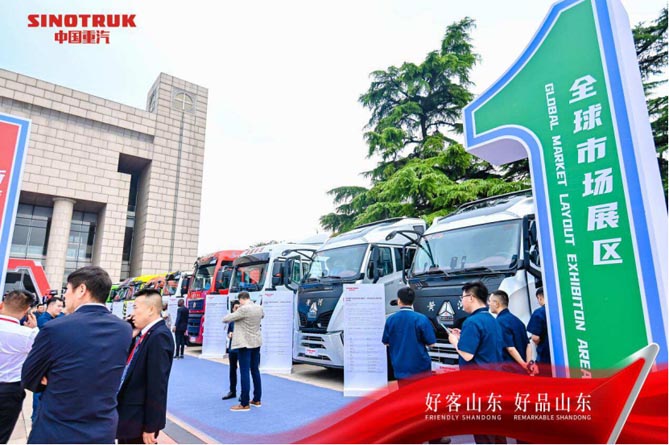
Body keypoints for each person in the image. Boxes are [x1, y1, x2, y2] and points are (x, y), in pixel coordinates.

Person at [21, 266, 132, 444]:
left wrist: (54, 377)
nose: (65, 296)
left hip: (58, 429)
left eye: (67, 289)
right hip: (103, 431)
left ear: (81, 290)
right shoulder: (124, 330)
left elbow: (28, 377)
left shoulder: (55, 328)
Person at [116, 289, 175, 444]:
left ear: (150, 309)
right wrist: (131, 336)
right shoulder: (145, 334)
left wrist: (151, 425)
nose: (132, 314)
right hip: (130, 417)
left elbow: (157, 385)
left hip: (139, 421)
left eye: (135, 308)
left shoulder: (159, 336)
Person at [0, 291, 38, 444]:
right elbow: (40, 354)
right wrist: (34, 329)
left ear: (2, 305)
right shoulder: (27, 334)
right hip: (9, 391)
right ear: (26, 311)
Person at [382, 287, 435, 386]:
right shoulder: (422, 319)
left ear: (399, 300)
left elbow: (386, 342)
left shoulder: (391, 319)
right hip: (420, 367)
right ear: (413, 300)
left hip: (400, 366)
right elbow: (431, 343)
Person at [223, 292, 263, 412]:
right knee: (255, 370)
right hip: (256, 342)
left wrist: (238, 310)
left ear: (241, 299)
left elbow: (225, 319)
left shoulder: (243, 309)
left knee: (244, 372)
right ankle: (257, 399)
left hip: (244, 344)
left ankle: (244, 403)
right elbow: (262, 316)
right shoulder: (259, 307)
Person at [488, 290, 530, 374]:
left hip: (510, 370)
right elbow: (528, 345)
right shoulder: (517, 321)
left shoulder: (499, 322)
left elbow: (510, 348)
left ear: (496, 304)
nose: (488, 304)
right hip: (523, 371)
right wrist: (528, 364)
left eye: (490, 301)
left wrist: (523, 364)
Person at [527, 287, 551, 375]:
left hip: (545, 356)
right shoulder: (559, 310)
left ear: (540, 297)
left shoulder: (539, 313)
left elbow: (535, 338)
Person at [222, 300, 240, 400]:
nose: (238, 309)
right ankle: (232, 391)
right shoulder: (231, 320)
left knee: (244, 371)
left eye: (239, 307)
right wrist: (229, 334)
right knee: (232, 370)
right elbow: (229, 332)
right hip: (232, 349)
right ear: (233, 309)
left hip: (242, 349)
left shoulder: (243, 319)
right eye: (236, 308)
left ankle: (244, 393)